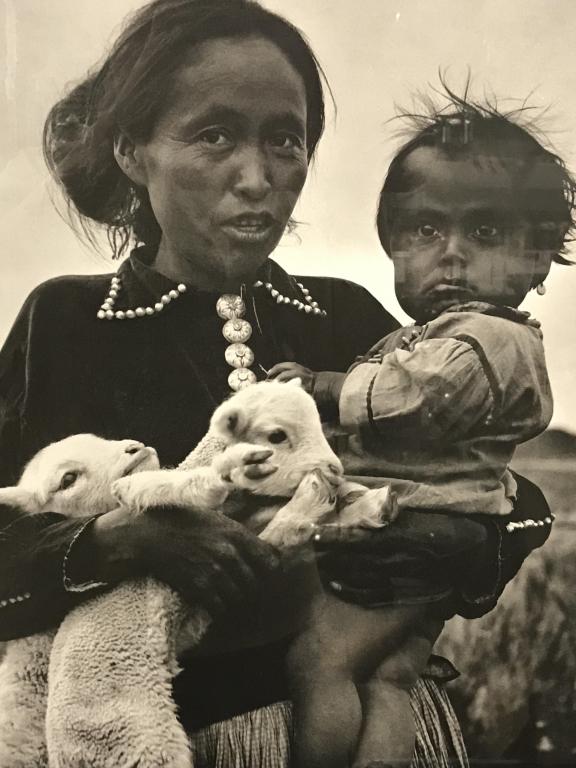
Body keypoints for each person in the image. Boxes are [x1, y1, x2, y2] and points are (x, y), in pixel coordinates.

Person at [0, 2, 550, 765]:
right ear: (132, 150)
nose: (259, 178)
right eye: (214, 134)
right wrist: (119, 541)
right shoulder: (67, 322)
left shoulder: (347, 316)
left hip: (378, 733)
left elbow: (497, 487)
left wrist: (459, 545)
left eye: (285, 140)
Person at [269, 92, 568, 768]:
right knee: (387, 679)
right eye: (426, 232)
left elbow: (419, 397)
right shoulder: (431, 333)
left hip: (410, 531)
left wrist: (326, 388)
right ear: (394, 246)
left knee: (319, 664)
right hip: (425, 538)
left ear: (537, 261)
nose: (452, 257)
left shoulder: (488, 338)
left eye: (486, 235)